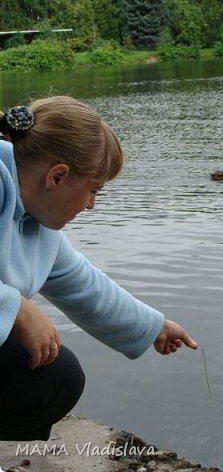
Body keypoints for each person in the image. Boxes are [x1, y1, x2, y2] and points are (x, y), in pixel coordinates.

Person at [0, 96, 198, 441]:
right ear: (57, 176)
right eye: (93, 190)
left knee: (57, 378)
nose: (91, 205)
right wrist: (14, 309)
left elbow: (80, 282)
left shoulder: (37, 223)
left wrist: (152, 326)